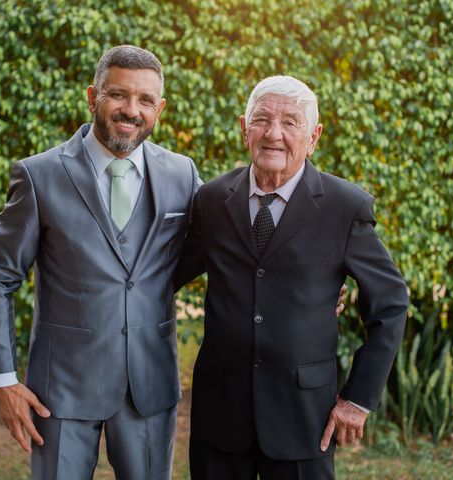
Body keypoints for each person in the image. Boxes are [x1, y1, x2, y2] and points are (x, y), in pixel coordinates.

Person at [0, 45, 200, 480]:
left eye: (146, 100)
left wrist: (314, 287)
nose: (131, 110)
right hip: (61, 390)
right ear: (92, 96)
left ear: (161, 108)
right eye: (118, 95)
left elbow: (228, 247)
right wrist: (3, 379)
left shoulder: (182, 173)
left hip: (149, 386)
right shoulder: (38, 176)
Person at [174, 75, 409, 479]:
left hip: (305, 418)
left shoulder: (344, 206)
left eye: (291, 123)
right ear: (243, 128)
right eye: (262, 120)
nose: (274, 134)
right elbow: (167, 274)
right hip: (221, 414)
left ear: (313, 136)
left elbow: (390, 302)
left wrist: (358, 399)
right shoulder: (211, 200)